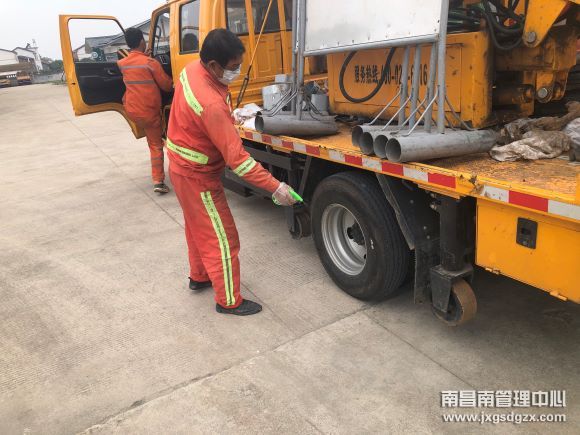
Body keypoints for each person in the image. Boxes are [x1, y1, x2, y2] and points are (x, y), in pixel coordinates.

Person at [167, 29, 297, 316]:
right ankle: (228, 300)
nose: (237, 71)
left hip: (180, 165)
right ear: (214, 65)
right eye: (233, 67)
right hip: (197, 175)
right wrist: (276, 187)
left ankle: (199, 276)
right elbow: (239, 162)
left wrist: (227, 116)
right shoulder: (211, 104)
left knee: (198, 227)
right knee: (222, 237)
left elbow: (202, 112)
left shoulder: (192, 69)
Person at [118, 28, 173, 194]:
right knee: (156, 145)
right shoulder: (150, 63)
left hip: (132, 110)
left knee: (152, 139)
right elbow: (166, 86)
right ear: (142, 41)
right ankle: (158, 181)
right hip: (149, 113)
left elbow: (136, 65)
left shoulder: (122, 64)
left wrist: (145, 56)